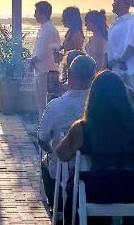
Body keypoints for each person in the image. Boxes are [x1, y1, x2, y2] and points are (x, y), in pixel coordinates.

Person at [46, 71, 134, 225]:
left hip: (94, 190)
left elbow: (62, 155)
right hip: (129, 190)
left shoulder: (83, 128)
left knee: (73, 185)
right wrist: (120, 88)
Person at [37, 54, 97, 206]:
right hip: (97, 170)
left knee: (46, 162)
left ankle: (56, 204)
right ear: (94, 76)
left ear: (69, 74)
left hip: (64, 171)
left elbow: (42, 138)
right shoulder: (101, 105)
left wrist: (54, 151)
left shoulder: (56, 106)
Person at [29, 1, 61, 114]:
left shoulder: (49, 29)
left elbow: (44, 52)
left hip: (46, 71)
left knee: (44, 103)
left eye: (36, 12)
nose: (34, 15)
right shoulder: (44, 28)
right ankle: (41, 127)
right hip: (40, 70)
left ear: (43, 13)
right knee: (40, 103)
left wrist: (31, 61)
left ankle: (44, 128)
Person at [106, 0, 131, 79]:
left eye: (115, 2)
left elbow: (123, 47)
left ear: (123, 3)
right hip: (114, 70)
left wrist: (110, 63)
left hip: (122, 72)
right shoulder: (116, 22)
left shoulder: (128, 23)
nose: (113, 4)